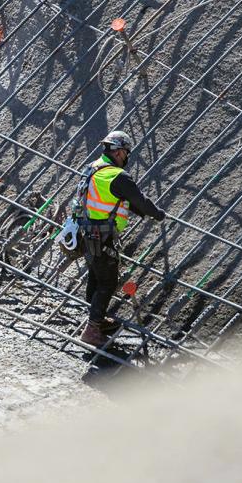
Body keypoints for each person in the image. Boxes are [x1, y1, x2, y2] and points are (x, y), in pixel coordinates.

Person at [78, 129, 165, 347]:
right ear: (118, 152)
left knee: (96, 277)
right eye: (126, 152)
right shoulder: (117, 176)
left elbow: (121, 200)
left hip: (86, 232)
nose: (126, 157)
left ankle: (95, 318)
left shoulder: (93, 168)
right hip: (101, 236)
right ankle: (92, 329)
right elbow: (139, 200)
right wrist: (158, 214)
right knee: (107, 282)